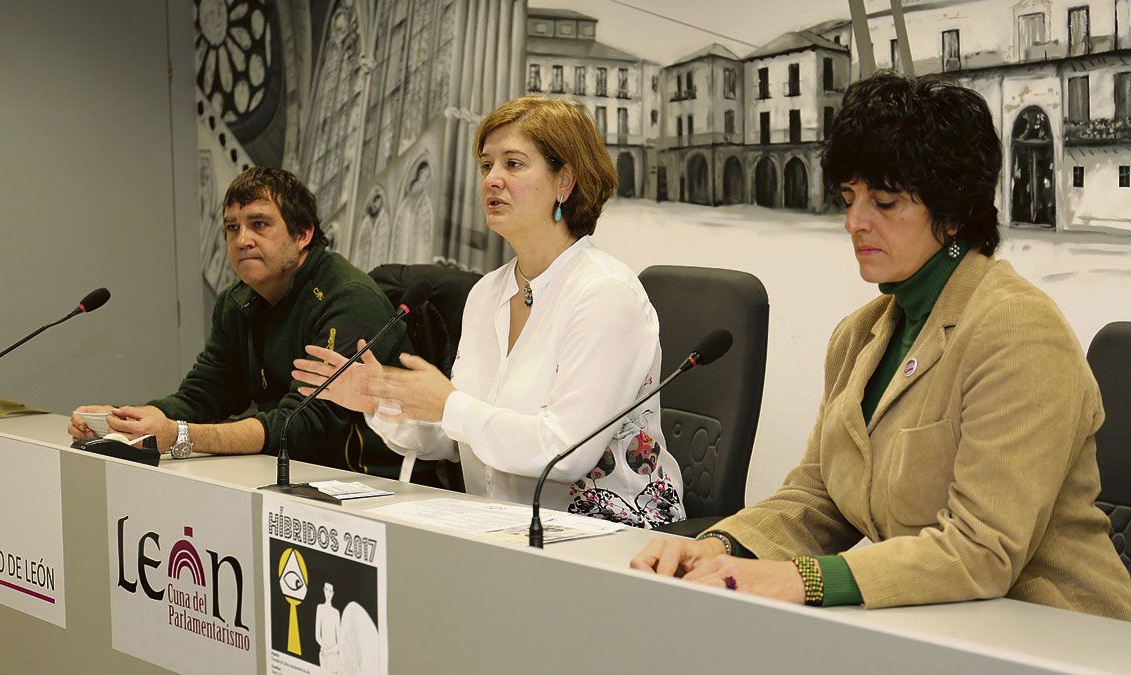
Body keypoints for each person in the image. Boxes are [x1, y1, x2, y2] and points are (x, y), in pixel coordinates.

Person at [631, 72, 1131, 620]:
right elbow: (819, 498)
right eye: (850, 197)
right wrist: (717, 547)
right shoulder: (858, 336)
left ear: (955, 210)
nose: (853, 222)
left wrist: (801, 579)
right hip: (933, 626)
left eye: (885, 203)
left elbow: (981, 552)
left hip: (1057, 631)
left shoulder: (1017, 331)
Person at [293, 96, 685, 527]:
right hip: (500, 528)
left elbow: (564, 451)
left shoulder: (605, 293)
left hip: (610, 538)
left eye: (513, 164)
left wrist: (449, 405)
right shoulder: (486, 293)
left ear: (565, 183)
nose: (492, 180)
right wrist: (378, 402)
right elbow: (457, 435)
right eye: (486, 166)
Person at [68, 167, 410, 475]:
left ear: (303, 234)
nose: (242, 239)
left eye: (259, 224)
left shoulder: (348, 298)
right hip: (287, 472)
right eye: (232, 228)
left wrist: (179, 435)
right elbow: (202, 396)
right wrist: (126, 419)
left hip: (369, 484)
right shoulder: (237, 301)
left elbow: (301, 425)